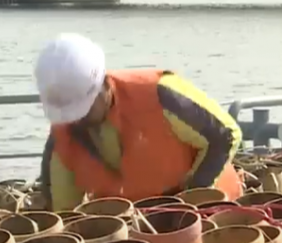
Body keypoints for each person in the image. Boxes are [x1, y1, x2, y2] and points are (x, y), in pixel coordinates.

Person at [36, 33, 243, 212]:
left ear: (105, 84)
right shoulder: (64, 134)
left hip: (210, 209)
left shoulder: (159, 95)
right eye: (70, 114)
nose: (77, 119)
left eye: (85, 109)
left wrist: (193, 198)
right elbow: (62, 209)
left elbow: (224, 135)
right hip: (137, 222)